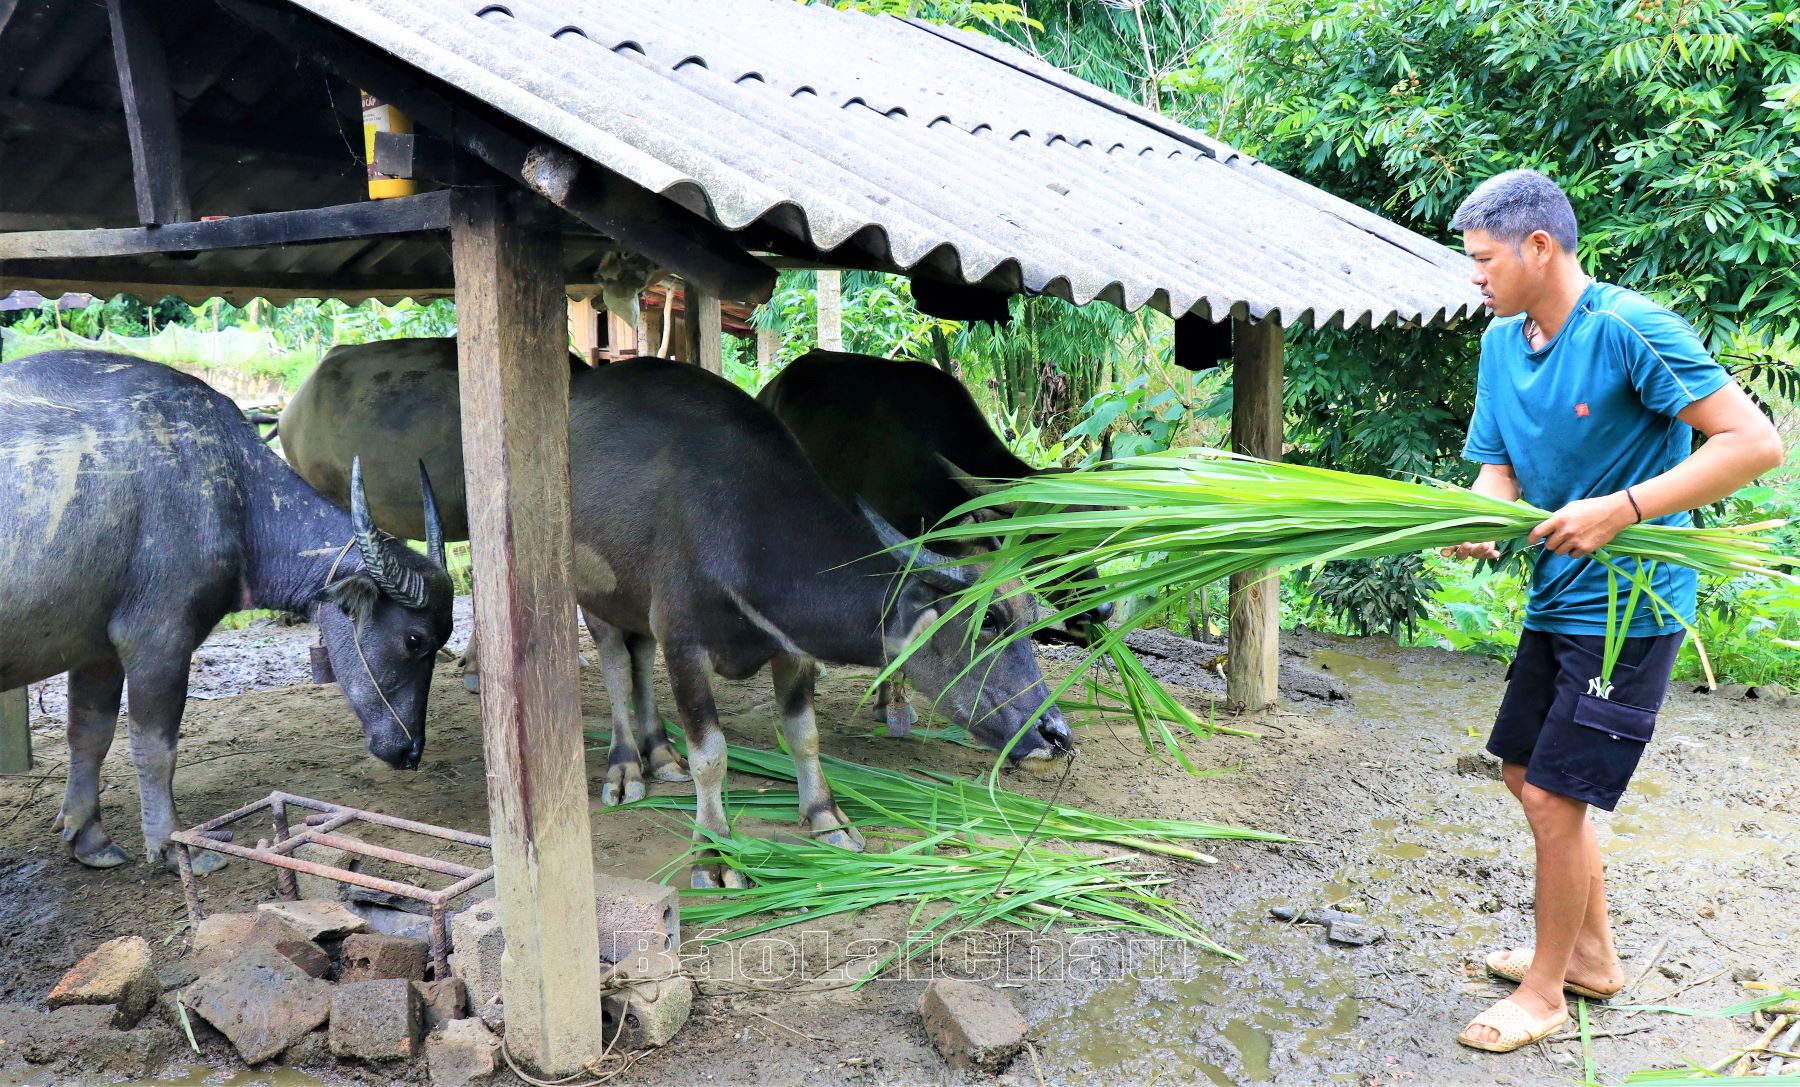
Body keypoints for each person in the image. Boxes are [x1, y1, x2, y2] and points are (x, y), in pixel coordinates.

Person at [1443, 168, 1785, 1053]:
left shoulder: (1632, 328)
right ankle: (1592, 956)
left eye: (1483, 260)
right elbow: (1497, 465)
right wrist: (1483, 518)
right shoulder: (1500, 346)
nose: (1473, 276)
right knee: (1525, 774)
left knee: (1555, 796)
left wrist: (1623, 507)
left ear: (1540, 247)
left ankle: (1547, 992)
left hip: (1631, 609)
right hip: (1555, 598)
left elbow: (1755, 442)